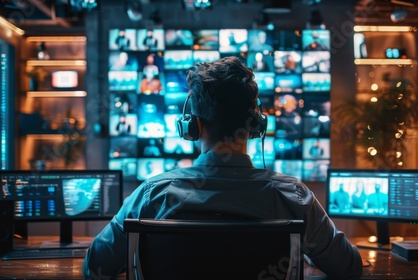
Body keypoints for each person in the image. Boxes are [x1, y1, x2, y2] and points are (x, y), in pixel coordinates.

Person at [83, 56, 362, 279]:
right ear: (256, 127)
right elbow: (349, 267)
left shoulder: (151, 195)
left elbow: (94, 268)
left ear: (193, 126)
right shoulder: (294, 197)